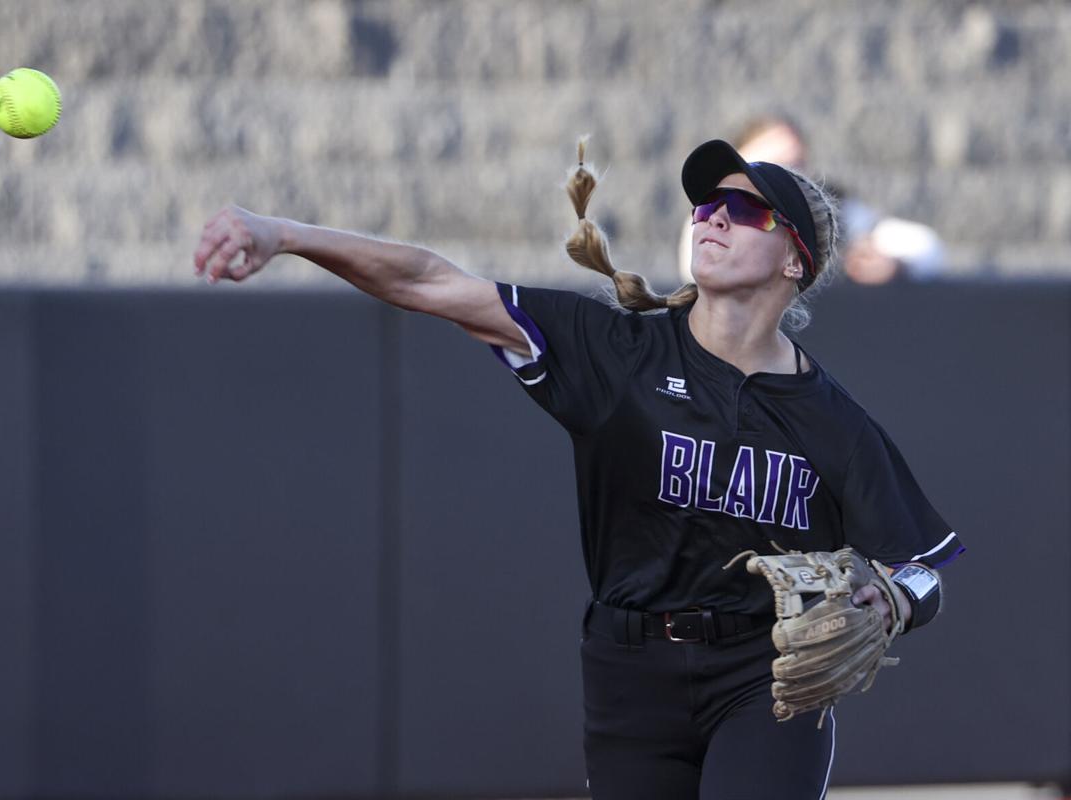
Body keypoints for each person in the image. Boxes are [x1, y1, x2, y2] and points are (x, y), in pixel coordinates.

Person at [193, 138, 964, 799]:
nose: (715, 217)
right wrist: (286, 234)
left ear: (797, 257)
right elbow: (430, 281)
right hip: (630, 671)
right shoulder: (617, 353)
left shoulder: (832, 421)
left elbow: (925, 563)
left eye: (748, 210)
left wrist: (895, 596)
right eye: (705, 207)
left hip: (762, 680)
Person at [676, 115, 947, 286]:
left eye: (795, 166)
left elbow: (927, 248)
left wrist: (893, 264)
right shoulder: (712, 215)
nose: (782, 177)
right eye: (768, 165)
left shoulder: (836, 215)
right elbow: (695, 271)